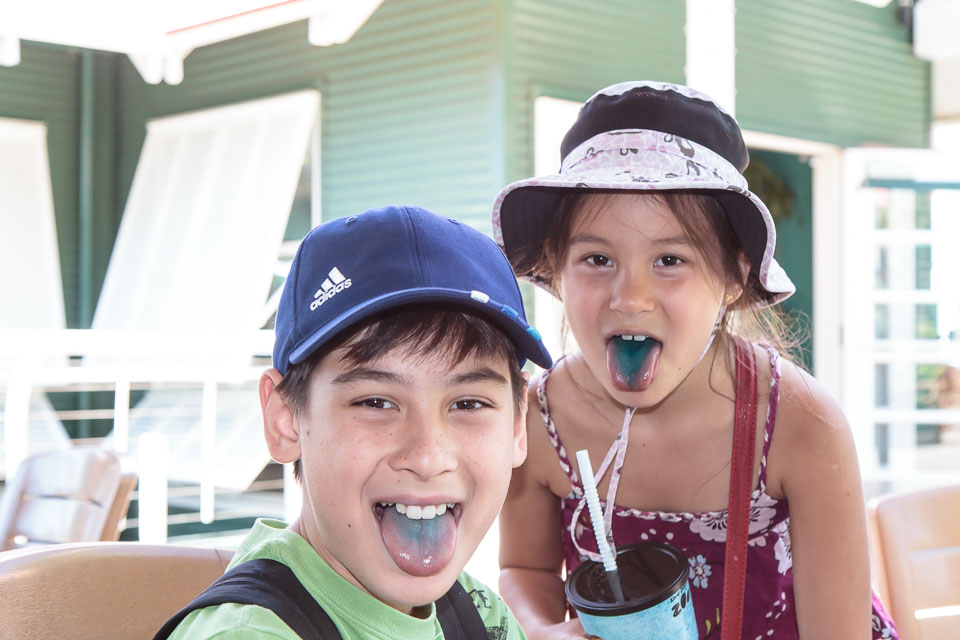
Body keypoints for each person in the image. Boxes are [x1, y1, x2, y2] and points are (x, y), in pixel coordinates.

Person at [491, 82, 899, 639]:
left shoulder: (802, 425)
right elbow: (525, 569)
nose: (630, 297)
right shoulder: (541, 416)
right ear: (555, 267)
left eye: (669, 259)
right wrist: (539, 629)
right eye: (597, 258)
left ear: (733, 276)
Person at [156, 204, 553, 639]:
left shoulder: (481, 614)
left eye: (468, 404)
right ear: (286, 419)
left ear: (518, 425)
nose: (428, 457)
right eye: (376, 402)